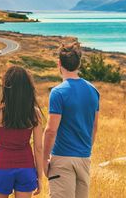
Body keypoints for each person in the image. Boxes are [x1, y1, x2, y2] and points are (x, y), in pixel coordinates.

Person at [42, 42, 100, 198]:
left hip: (62, 158)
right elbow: (94, 127)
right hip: (84, 158)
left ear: (59, 64)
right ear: (79, 64)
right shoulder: (93, 91)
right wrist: (85, 150)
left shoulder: (58, 93)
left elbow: (50, 130)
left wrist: (44, 159)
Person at [0, 66, 45, 197]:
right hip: (26, 168)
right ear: (28, 88)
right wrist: (39, 177)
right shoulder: (34, 113)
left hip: (1, 166)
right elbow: (39, 148)